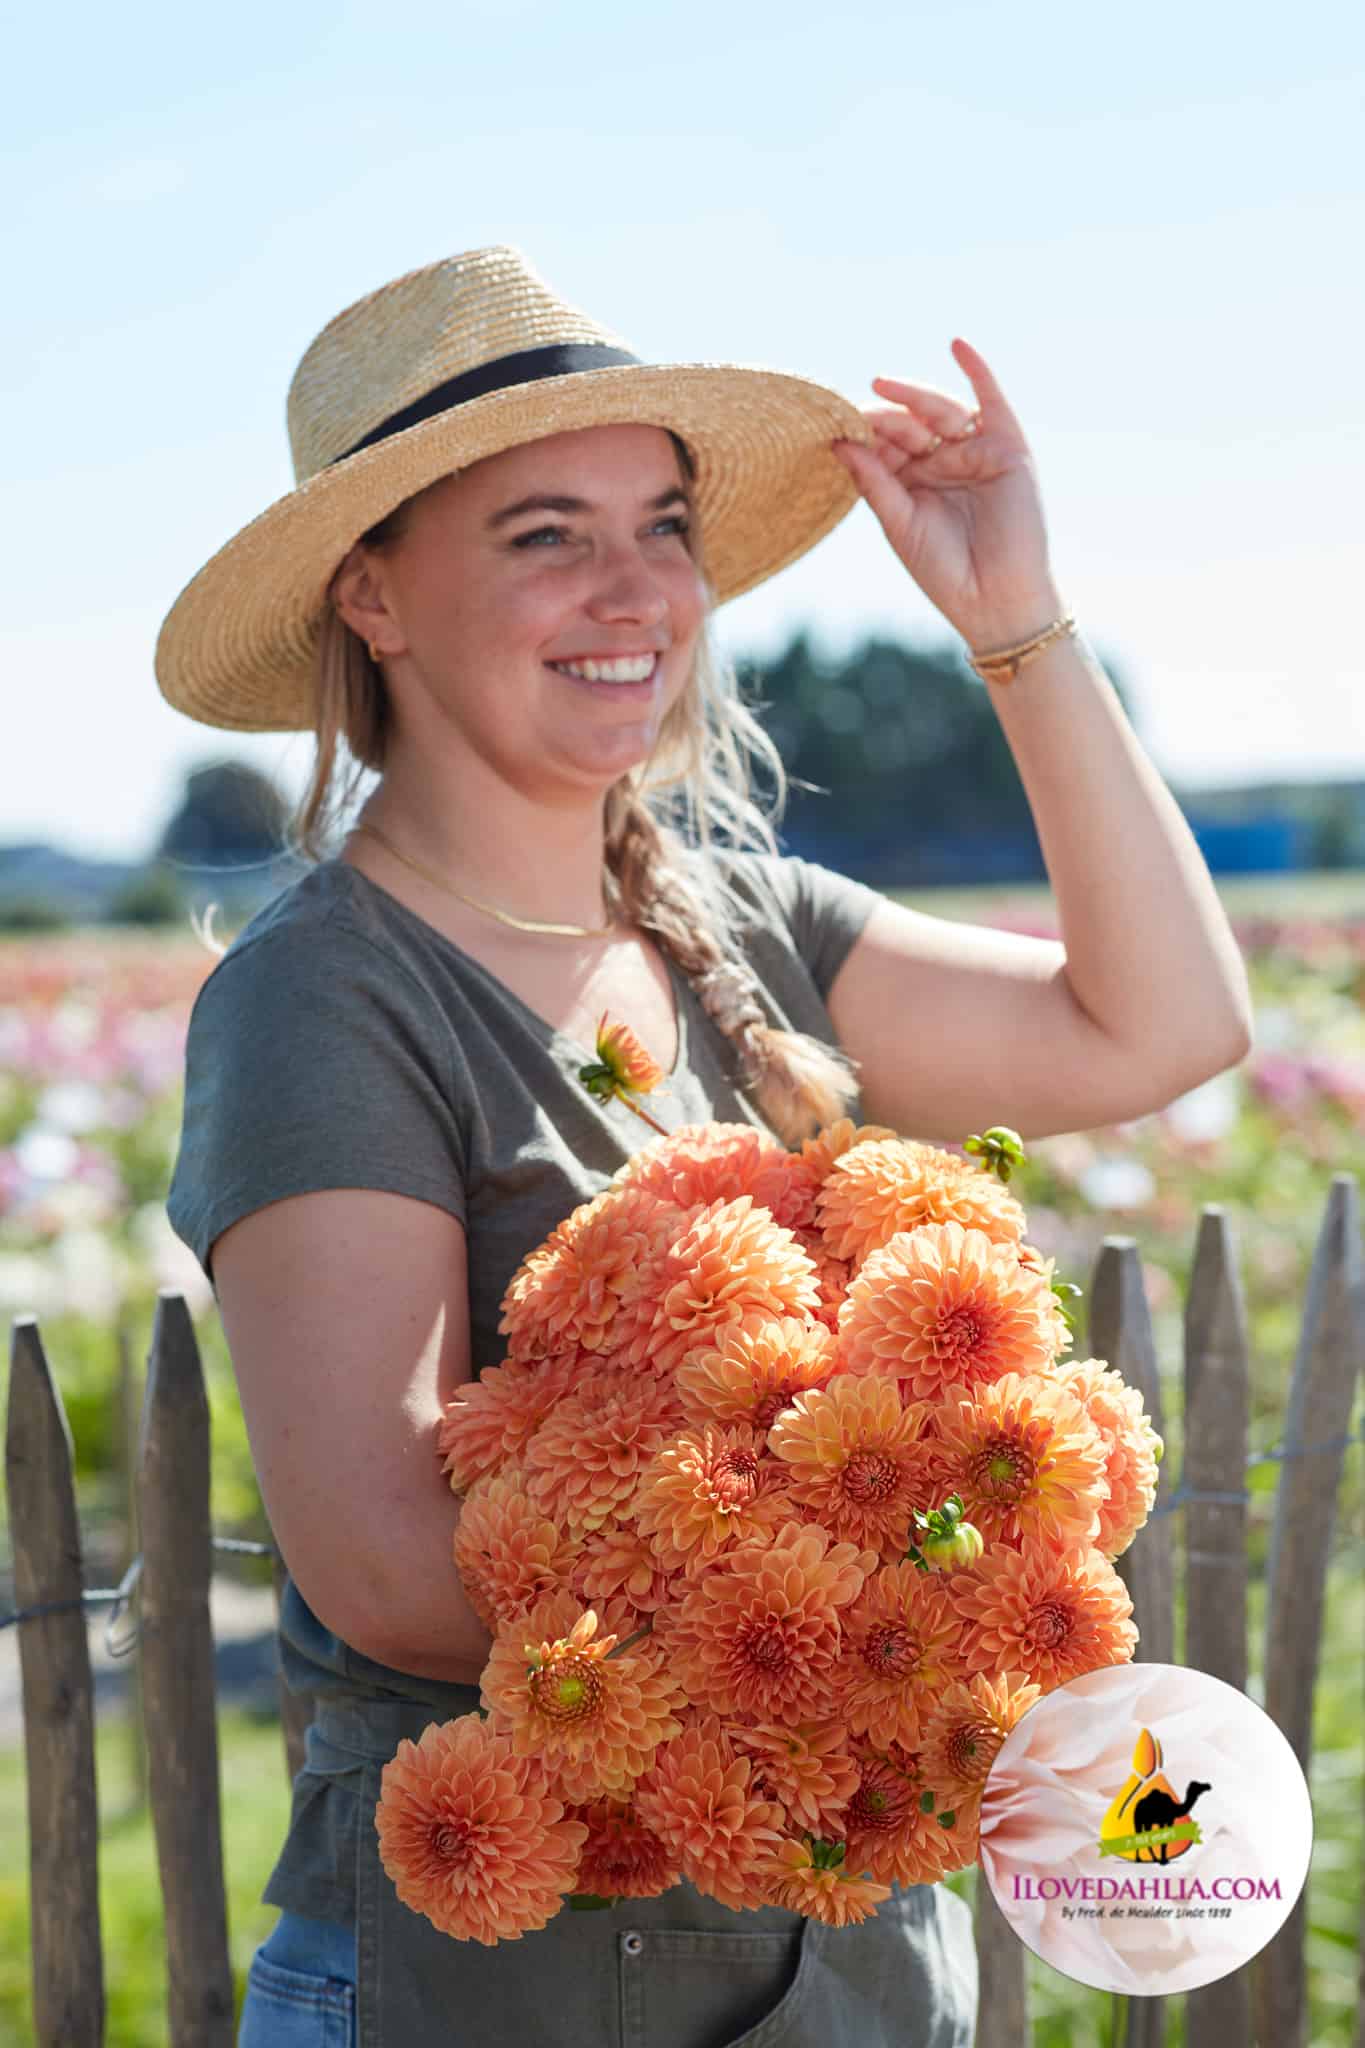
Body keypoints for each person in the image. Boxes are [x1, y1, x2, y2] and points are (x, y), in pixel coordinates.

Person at [158, 245, 1252, 2048]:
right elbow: (390, 1569)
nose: (635, 588)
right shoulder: (325, 997)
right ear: (373, 595)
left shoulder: (747, 923)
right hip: (508, 1980)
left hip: (854, 1958)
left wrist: (1014, 623)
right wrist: (926, 1604)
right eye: (543, 534)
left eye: (662, 524)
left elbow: (1161, 1028)